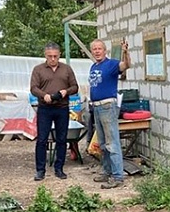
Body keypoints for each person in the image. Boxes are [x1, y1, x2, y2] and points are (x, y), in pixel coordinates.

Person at [30, 42, 79, 181]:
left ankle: (59, 168)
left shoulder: (66, 69)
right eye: (50, 56)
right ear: (45, 55)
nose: (52, 59)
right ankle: (40, 170)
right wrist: (44, 95)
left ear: (59, 55)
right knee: (42, 139)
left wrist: (66, 91)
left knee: (61, 139)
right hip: (45, 108)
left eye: (55, 56)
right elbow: (33, 88)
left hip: (62, 108)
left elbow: (75, 87)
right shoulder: (38, 69)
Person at [88, 38, 130, 189]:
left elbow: (126, 65)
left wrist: (125, 53)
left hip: (107, 106)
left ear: (105, 51)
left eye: (99, 48)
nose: (97, 51)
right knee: (103, 143)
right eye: (94, 49)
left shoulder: (111, 64)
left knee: (112, 143)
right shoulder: (94, 66)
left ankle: (118, 176)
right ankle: (106, 171)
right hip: (96, 107)